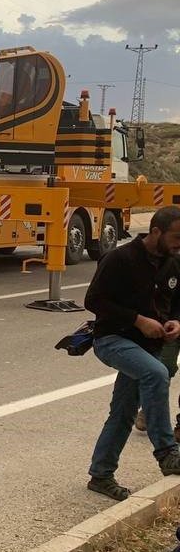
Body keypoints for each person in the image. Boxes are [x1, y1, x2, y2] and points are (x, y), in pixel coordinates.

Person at [85, 205, 180, 501]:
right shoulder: (120, 258)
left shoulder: (173, 263)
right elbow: (94, 300)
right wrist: (138, 320)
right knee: (157, 373)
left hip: (146, 346)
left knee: (123, 413)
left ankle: (101, 475)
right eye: (176, 237)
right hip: (112, 339)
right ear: (156, 232)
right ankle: (167, 452)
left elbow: (176, 302)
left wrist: (176, 321)